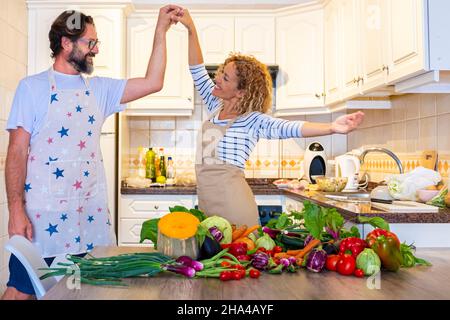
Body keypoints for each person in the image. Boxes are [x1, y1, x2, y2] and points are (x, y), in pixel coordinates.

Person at [2, 5, 183, 300]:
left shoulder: (100, 90)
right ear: (66, 43)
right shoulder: (31, 88)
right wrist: (16, 209)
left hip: (88, 217)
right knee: (21, 291)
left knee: (84, 292)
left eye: (96, 43)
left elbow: (153, 82)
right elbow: (17, 151)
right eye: (90, 42)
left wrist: (161, 29)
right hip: (41, 217)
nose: (95, 50)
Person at [173, 10, 364, 227]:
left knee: (237, 259)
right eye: (219, 73)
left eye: (224, 77)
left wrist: (332, 127)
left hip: (234, 206)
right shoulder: (215, 106)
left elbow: (288, 127)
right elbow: (197, 69)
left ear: (241, 92)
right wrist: (190, 29)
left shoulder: (251, 120)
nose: (216, 78)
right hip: (207, 203)